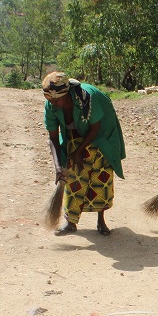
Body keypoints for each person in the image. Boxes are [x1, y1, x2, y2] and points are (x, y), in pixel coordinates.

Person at [42, 71, 126, 236]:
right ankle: (71, 223)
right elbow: (53, 138)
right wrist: (58, 166)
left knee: (101, 176)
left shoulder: (87, 99)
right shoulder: (51, 104)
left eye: (56, 100)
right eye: (49, 100)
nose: (53, 104)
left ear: (66, 95)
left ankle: (101, 220)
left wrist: (79, 151)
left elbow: (95, 128)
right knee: (74, 177)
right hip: (75, 135)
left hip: (101, 134)